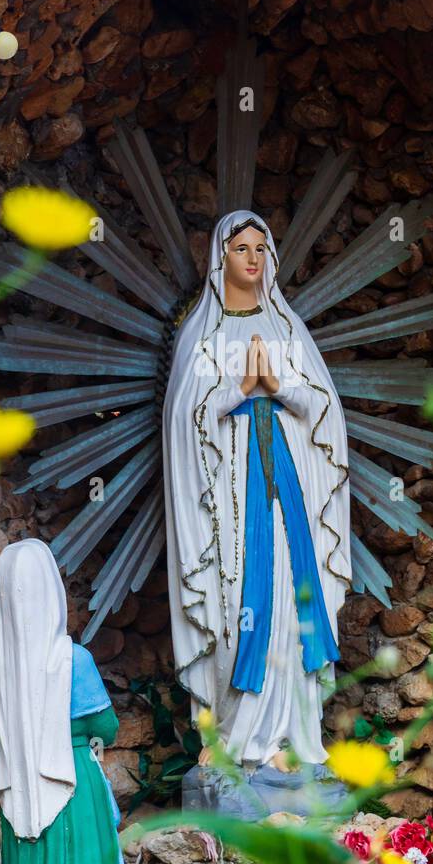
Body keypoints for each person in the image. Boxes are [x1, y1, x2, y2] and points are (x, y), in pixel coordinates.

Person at [163, 211, 351, 772]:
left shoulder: (287, 330)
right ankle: (241, 737)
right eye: (241, 248)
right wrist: (236, 390)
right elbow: (182, 422)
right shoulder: (204, 335)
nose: (253, 258)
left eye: (261, 249)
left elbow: (326, 413)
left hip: (288, 486)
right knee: (242, 602)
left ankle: (294, 735)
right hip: (232, 501)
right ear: (221, 256)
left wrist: (280, 386)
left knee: (295, 597)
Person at [0, 538, 133, 864]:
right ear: (50, 590)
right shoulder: (71, 658)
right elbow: (106, 729)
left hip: (18, 790)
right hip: (73, 784)